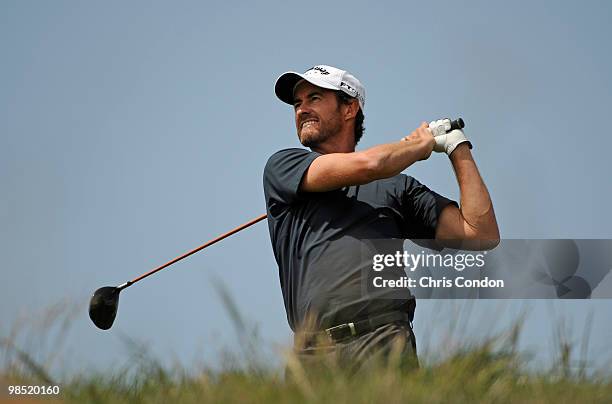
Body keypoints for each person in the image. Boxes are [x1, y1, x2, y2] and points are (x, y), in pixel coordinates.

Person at [263, 65, 499, 373]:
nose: (302, 109)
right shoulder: (284, 166)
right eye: (297, 104)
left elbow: (481, 233)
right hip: (311, 358)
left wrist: (457, 147)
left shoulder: (397, 188)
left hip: (383, 343)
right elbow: (370, 163)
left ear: (349, 108)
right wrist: (417, 146)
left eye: (315, 98)